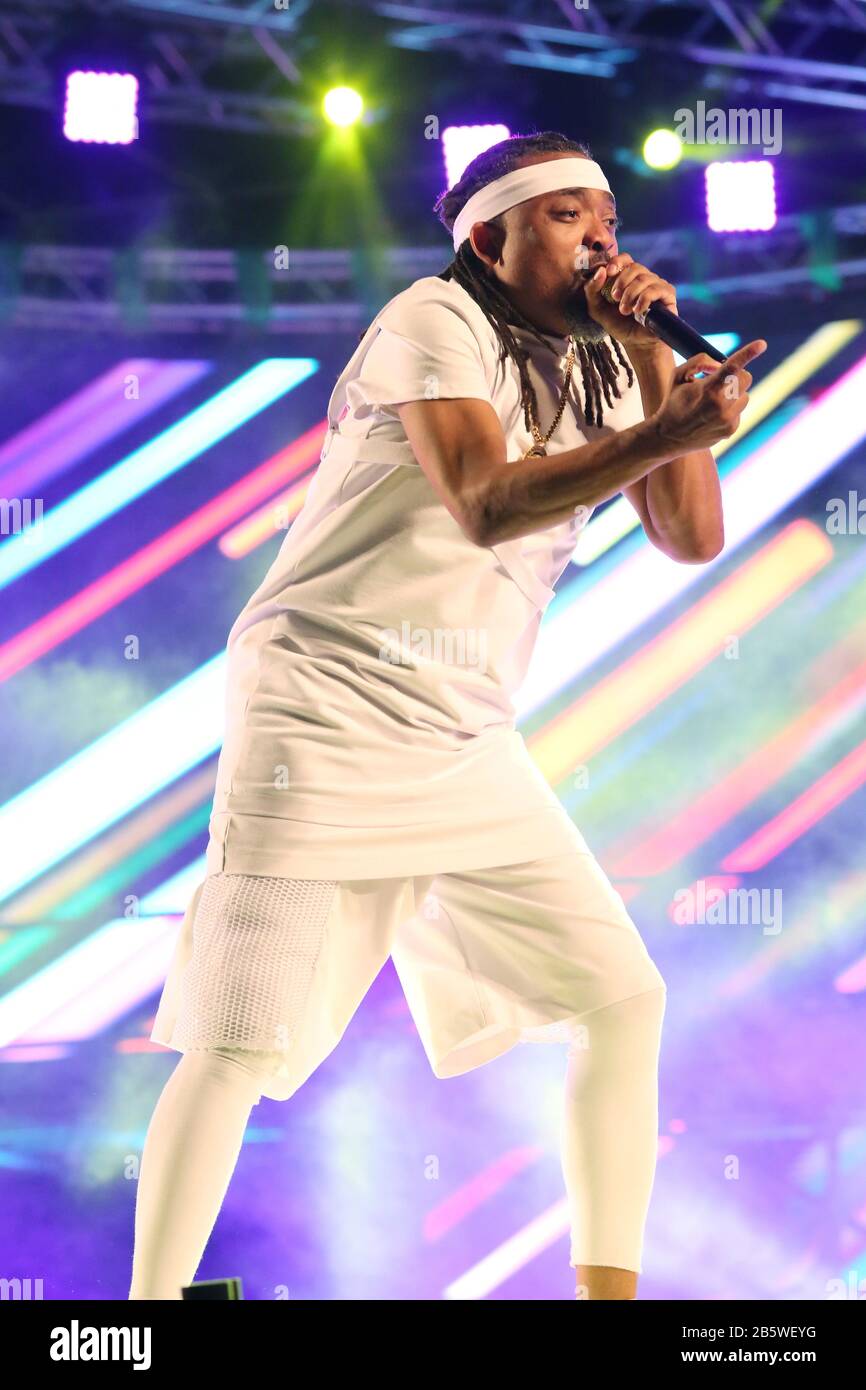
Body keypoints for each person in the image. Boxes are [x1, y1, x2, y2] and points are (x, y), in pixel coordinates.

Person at [128, 130, 765, 1301]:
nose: (599, 243)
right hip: (322, 705)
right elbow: (482, 501)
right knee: (236, 1042)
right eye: (567, 219)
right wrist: (660, 428)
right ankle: (143, 1318)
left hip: (460, 728)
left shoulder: (617, 355)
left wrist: (658, 375)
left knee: (620, 1000)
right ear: (489, 236)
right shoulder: (432, 319)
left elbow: (687, 536)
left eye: (608, 223)